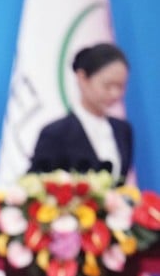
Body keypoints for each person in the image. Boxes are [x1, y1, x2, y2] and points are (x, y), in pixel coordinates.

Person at [29, 42, 132, 182]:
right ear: (82, 78)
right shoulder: (55, 133)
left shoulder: (123, 130)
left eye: (120, 86)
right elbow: (35, 185)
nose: (114, 94)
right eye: (107, 85)